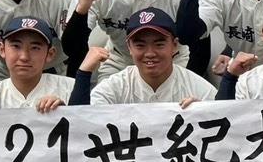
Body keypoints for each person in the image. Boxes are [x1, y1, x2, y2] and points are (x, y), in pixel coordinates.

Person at [70, 8, 216, 106]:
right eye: (140, 45)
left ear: (174, 45)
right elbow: (80, 124)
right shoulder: (116, 86)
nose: (150, 53)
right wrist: (83, 73)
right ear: (129, 48)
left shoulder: (199, 88)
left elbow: (224, 125)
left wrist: (202, 115)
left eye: (159, 44)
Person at [0, 16, 76, 111]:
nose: (24, 57)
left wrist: (66, 112)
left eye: (35, 48)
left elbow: (85, 121)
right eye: (16, 46)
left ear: (50, 54)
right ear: (1, 49)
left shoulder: (71, 89)